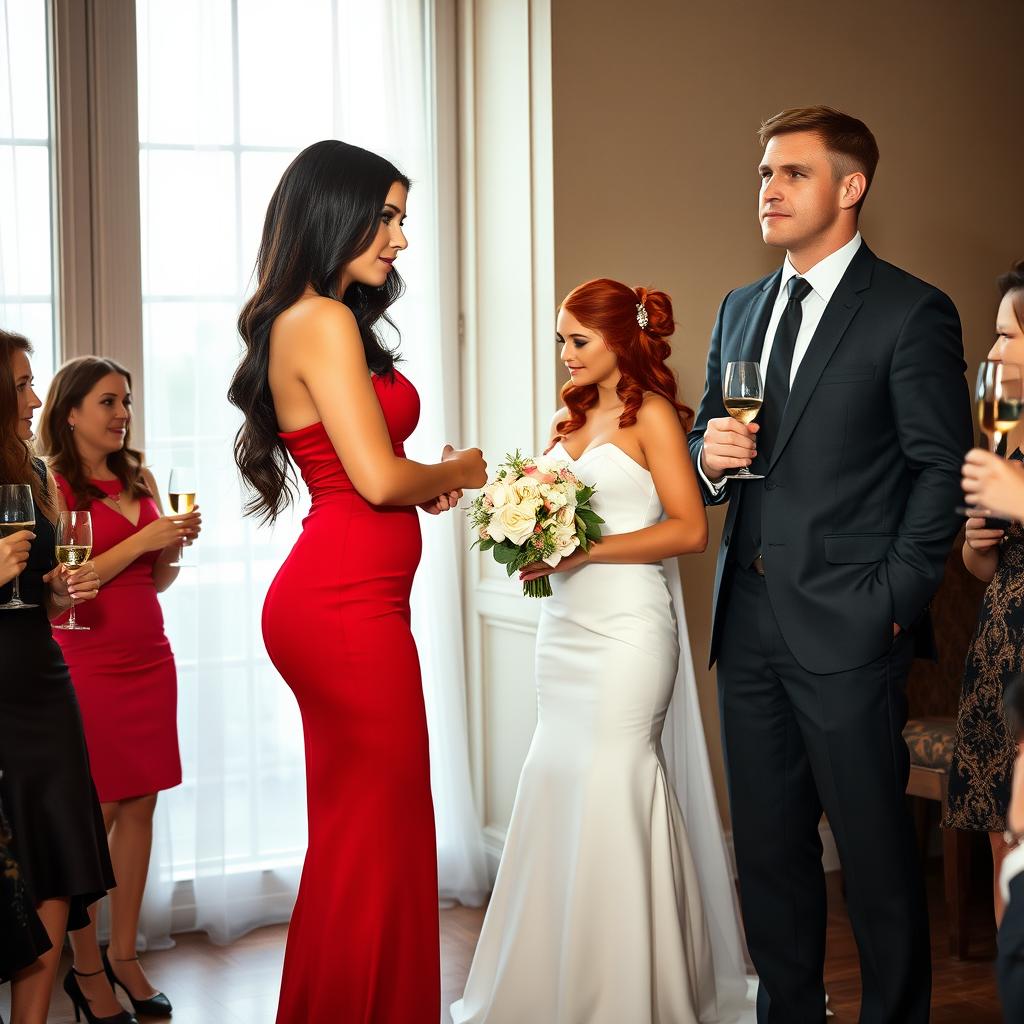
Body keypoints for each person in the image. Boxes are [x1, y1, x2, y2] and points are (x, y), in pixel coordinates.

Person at [688, 106, 973, 1023]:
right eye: (765, 172)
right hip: (749, 626)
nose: (768, 188)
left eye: (794, 173)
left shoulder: (910, 310)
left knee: (878, 862)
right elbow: (707, 433)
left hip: (854, 625)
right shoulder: (739, 306)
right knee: (769, 858)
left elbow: (940, 469)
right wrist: (709, 458)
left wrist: (892, 600)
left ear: (851, 188)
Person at [227, 139, 486, 1024]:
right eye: (386, 216)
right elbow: (377, 482)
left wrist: (426, 479)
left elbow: (372, 473)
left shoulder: (323, 318)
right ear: (332, 211)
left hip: (353, 596)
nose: (400, 239)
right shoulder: (322, 320)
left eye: (403, 217)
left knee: (369, 832)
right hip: (341, 606)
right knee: (379, 833)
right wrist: (463, 471)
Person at [451, 279, 754, 1024]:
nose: (567, 353)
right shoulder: (567, 417)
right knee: (556, 779)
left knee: (618, 781)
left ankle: (634, 993)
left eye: (578, 340)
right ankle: (552, 988)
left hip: (627, 632)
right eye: (562, 340)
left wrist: (582, 549)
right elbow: (549, 520)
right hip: (564, 633)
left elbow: (690, 530)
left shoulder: (650, 415)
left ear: (625, 338)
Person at [36, 355, 201, 1021]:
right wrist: (144, 541)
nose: (122, 413)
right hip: (87, 663)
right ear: (70, 411)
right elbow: (63, 585)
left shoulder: (141, 476)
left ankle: (126, 954)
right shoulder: (51, 485)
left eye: (126, 400)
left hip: (148, 658)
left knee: (140, 809)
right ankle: (85, 967)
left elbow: (153, 580)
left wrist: (173, 548)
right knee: (91, 817)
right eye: (107, 401)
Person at [0, 329, 117, 1024]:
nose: (36, 397)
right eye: (20, 384)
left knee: (52, 857)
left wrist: (56, 591)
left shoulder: (36, 473)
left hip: (42, 684)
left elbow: (40, 593)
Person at [946, 261, 1024, 924]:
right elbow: (983, 571)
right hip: (1003, 652)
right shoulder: (1012, 431)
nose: (994, 351)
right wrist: (978, 541)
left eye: (1007, 336)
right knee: (1008, 837)